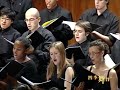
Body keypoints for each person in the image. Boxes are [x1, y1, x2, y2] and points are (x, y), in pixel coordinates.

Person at [22, 8, 56, 81]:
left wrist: (34, 51)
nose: (28, 23)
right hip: (26, 71)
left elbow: (50, 56)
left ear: (39, 19)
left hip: (41, 73)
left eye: (31, 19)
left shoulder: (47, 35)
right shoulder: (24, 35)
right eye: (26, 20)